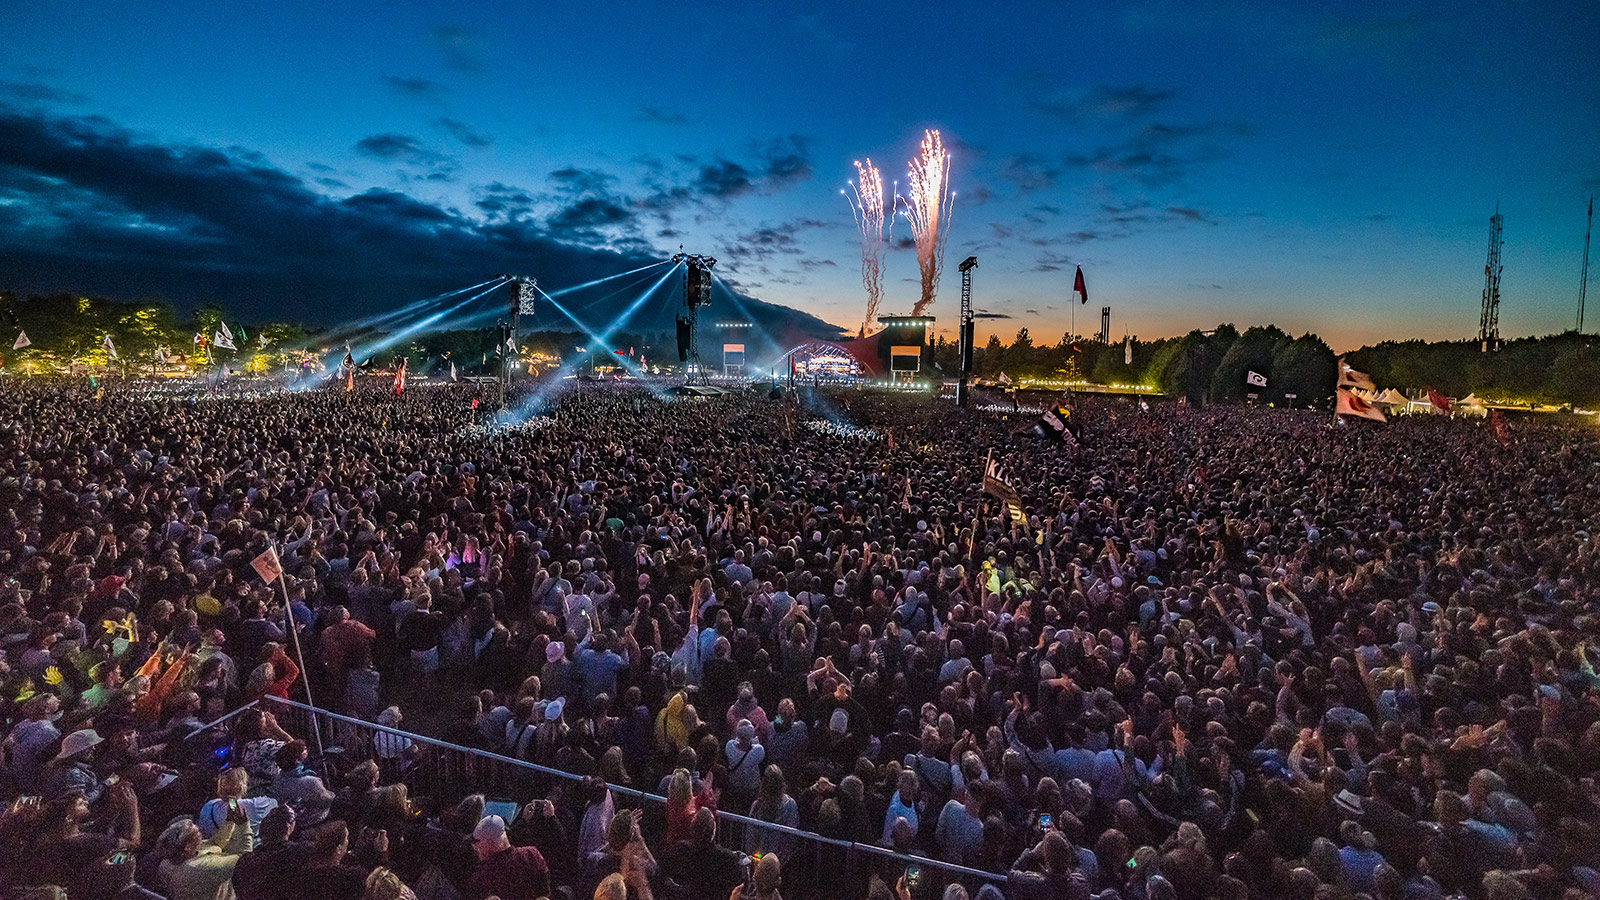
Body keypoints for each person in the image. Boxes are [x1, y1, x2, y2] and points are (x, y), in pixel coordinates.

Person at [467, 814, 549, 900]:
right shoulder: (531, 855)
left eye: (477, 842)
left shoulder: (483, 875)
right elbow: (544, 893)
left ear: (489, 842)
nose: (475, 847)